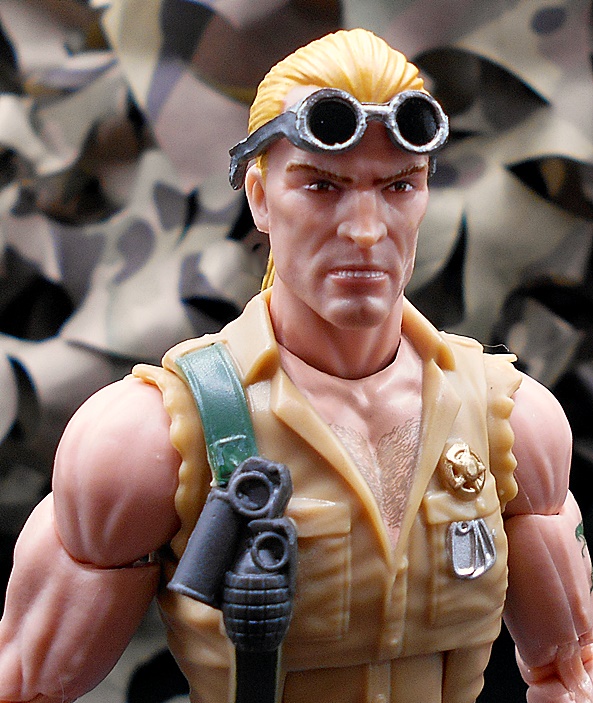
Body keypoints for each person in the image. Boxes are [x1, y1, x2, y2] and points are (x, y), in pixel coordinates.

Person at [1, 28, 592, 703]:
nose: (365, 229)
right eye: (321, 186)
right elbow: (27, 686)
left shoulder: (511, 421)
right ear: (259, 197)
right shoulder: (146, 439)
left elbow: (570, 674)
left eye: (399, 186)